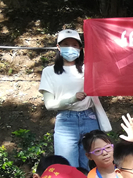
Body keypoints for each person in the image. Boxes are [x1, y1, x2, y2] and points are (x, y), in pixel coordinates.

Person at [40, 29, 110, 170]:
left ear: (80, 48)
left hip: (89, 118)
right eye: (66, 44)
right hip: (66, 120)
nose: (70, 48)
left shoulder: (89, 69)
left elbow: (109, 73)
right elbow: (49, 104)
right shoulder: (49, 71)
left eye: (74, 45)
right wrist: (72, 98)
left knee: (92, 165)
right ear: (58, 47)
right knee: (67, 167)